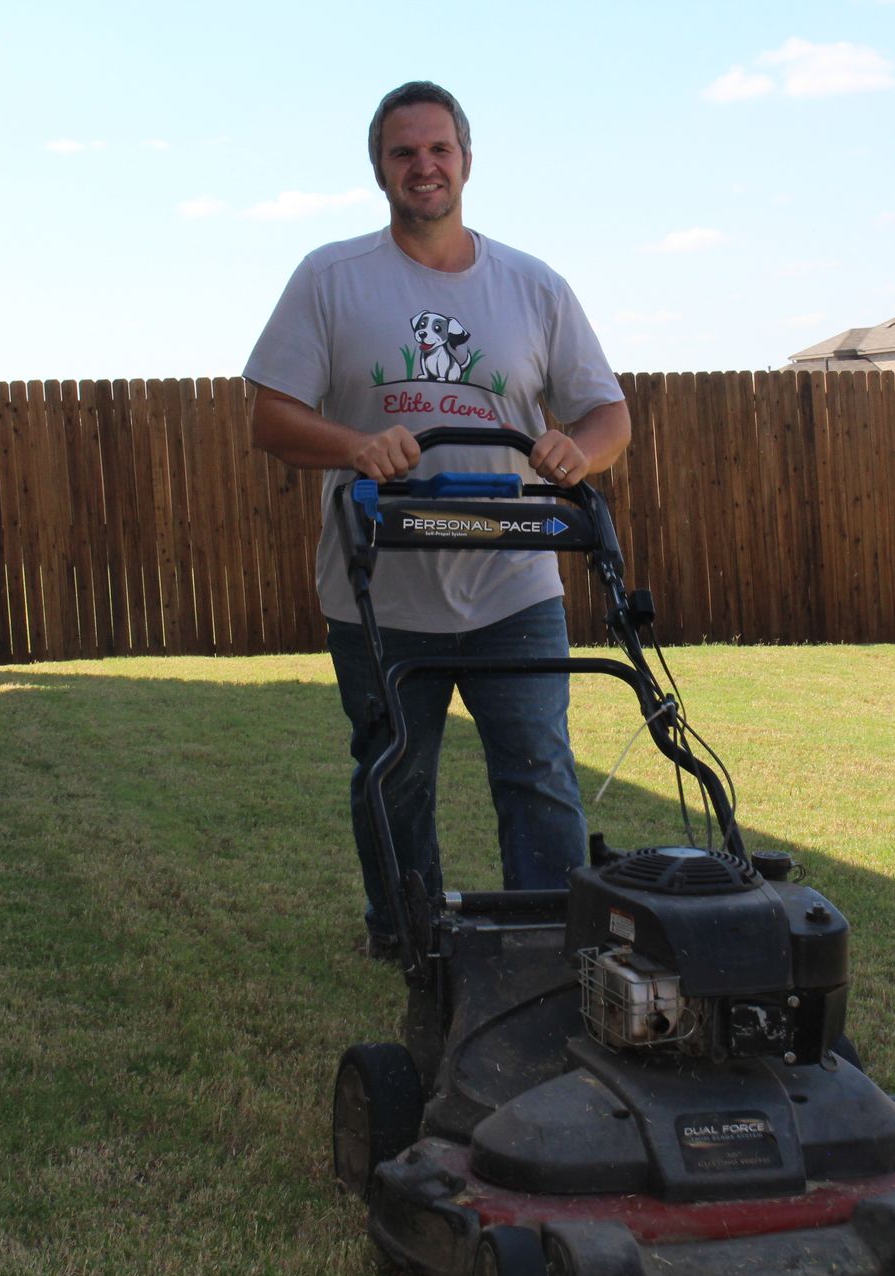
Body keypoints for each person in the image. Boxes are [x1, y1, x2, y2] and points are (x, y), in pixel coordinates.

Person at [244, 81, 631, 960]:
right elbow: (269, 419)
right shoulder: (330, 279)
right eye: (403, 152)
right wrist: (354, 444)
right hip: (380, 586)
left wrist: (580, 453)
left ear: (466, 159)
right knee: (396, 775)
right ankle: (407, 935)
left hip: (512, 582)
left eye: (438, 149)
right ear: (379, 169)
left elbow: (609, 415)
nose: (424, 166)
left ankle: (547, 944)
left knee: (538, 773)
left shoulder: (534, 286)